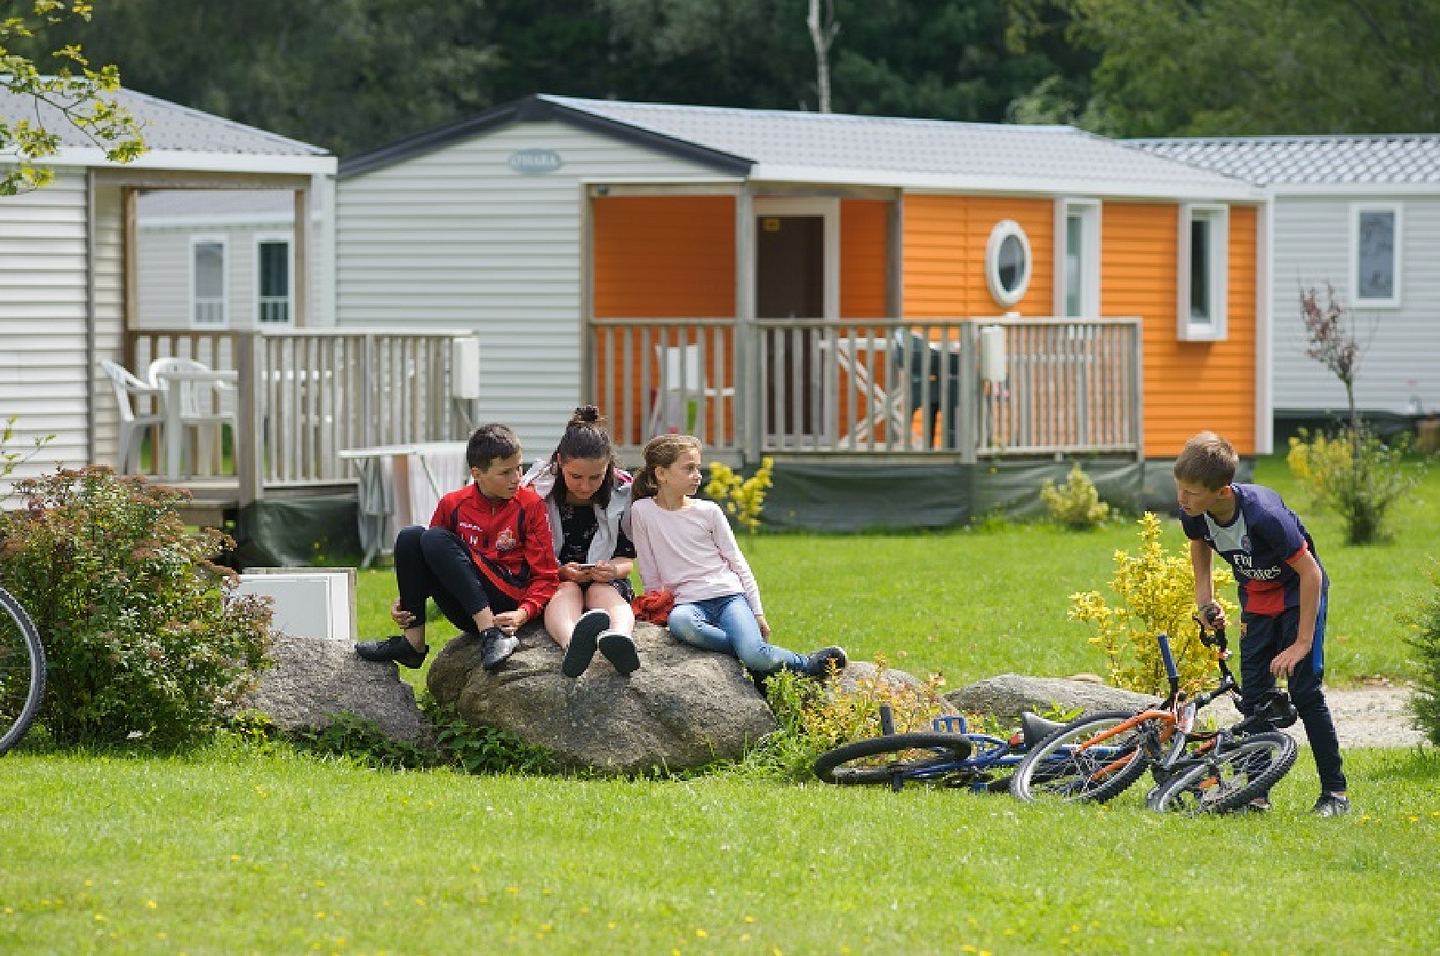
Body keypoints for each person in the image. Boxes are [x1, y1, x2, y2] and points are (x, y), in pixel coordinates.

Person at [1174, 430, 1349, 816]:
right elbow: (1199, 544)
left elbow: (1311, 574)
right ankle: (1255, 792)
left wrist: (1302, 643)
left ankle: (1335, 793)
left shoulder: (1263, 516)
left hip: (1297, 597)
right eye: (1179, 488)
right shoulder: (1194, 513)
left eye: (1191, 492)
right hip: (1256, 600)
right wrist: (1205, 599)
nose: (1181, 499)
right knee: (1254, 699)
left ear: (1222, 491)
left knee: (1304, 692)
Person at [628, 433, 847, 680]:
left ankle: (804, 664)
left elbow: (737, 563)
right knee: (681, 624)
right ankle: (757, 657)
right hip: (687, 605)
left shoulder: (708, 511)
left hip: (728, 598)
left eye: (698, 468)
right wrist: (656, 610)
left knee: (754, 652)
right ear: (661, 473)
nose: (698, 475)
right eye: (689, 468)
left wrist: (757, 612)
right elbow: (648, 570)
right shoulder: (642, 511)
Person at [356, 423, 559, 672]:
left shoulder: (531, 504)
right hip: (466, 608)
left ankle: (492, 634)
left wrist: (523, 613)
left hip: (508, 604)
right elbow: (432, 563)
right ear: (477, 473)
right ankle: (413, 644)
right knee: (411, 536)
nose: (517, 478)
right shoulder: (452, 504)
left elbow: (547, 577)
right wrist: (409, 599)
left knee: (433, 538)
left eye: (519, 467)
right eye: (505, 472)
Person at [521, 405, 640, 678]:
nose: (585, 486)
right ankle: (573, 643)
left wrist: (612, 570)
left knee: (604, 591)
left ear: (608, 466)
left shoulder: (622, 491)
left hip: (604, 580)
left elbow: (627, 560)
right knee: (565, 590)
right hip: (554, 578)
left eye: (595, 477)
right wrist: (559, 571)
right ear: (560, 462)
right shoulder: (536, 491)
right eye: (576, 477)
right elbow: (525, 555)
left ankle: (621, 639)